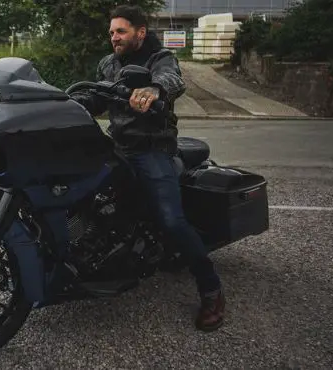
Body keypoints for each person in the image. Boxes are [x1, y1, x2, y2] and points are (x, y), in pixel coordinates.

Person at [70, 4, 226, 332]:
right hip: (117, 145)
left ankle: (211, 290)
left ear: (140, 32)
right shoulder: (109, 64)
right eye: (112, 31)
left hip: (152, 149)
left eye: (121, 31)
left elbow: (170, 80)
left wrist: (154, 90)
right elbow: (98, 98)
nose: (114, 36)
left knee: (171, 220)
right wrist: (69, 103)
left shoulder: (159, 59)